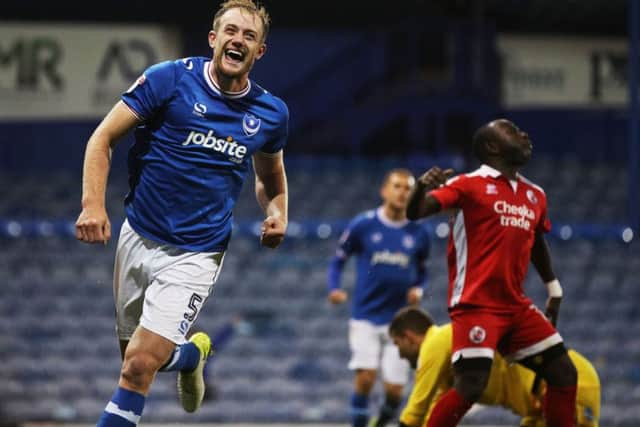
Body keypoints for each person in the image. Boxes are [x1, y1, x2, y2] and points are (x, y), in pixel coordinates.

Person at [75, 1, 289, 425]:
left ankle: (183, 355)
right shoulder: (168, 79)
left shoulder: (270, 114)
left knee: (137, 368)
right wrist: (92, 204)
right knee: (136, 361)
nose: (237, 40)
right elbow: (102, 139)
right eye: (230, 31)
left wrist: (278, 211)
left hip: (196, 253)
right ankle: (191, 355)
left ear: (260, 51)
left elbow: (271, 177)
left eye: (249, 36)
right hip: (138, 236)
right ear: (214, 38)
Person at [406, 119, 577, 427]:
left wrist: (553, 286)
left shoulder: (535, 194)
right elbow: (415, 212)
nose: (524, 134)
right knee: (471, 385)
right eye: (512, 131)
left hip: (516, 306)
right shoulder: (466, 185)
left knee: (564, 373)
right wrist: (420, 188)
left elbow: (536, 239)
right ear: (492, 147)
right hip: (476, 304)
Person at [327, 169, 431, 427]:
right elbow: (338, 260)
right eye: (397, 186)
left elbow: (423, 271)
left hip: (399, 320)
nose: (402, 192)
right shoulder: (364, 224)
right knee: (365, 378)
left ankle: (380, 423)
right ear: (384, 190)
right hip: (366, 316)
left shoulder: (418, 232)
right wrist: (334, 288)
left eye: (408, 188)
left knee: (395, 391)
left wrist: (419, 288)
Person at [389, 307, 600, 427]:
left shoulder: (435, 343)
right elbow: (433, 414)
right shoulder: (450, 364)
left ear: (409, 338)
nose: (399, 354)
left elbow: (416, 410)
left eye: (397, 345)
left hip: (566, 384)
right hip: (541, 403)